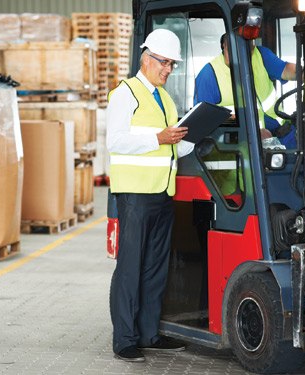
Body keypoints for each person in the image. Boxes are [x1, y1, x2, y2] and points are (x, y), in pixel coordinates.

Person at [106, 28, 192, 363]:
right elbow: (116, 141)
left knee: (155, 269)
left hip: (161, 193)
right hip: (135, 196)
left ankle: (149, 335)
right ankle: (124, 339)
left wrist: (194, 134)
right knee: (130, 268)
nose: (168, 69)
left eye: (172, 64)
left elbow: (174, 147)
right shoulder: (125, 94)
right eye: (164, 62)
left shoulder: (165, 98)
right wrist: (159, 138)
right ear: (147, 58)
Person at [195, 33, 297, 148]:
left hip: (281, 136)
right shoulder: (209, 75)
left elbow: (286, 70)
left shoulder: (261, 55)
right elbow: (202, 121)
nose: (242, 55)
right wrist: (246, 131)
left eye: (250, 49)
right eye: (234, 50)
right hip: (241, 146)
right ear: (224, 45)